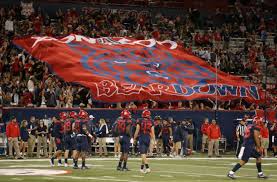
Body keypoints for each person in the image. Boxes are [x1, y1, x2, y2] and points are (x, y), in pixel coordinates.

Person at [134, 109, 155, 173]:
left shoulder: (140, 120)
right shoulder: (151, 121)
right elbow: (152, 132)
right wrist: (154, 140)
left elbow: (137, 130)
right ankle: (141, 168)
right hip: (148, 137)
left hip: (142, 136)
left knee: (142, 153)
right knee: (144, 154)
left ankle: (147, 167)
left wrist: (134, 138)